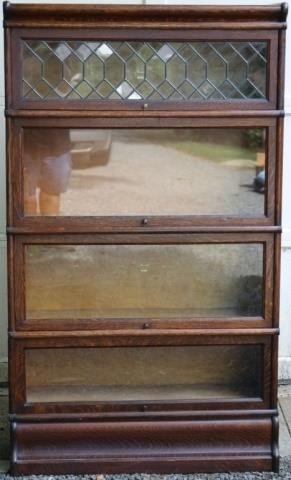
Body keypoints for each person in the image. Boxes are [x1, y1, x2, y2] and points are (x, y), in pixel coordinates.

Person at [23, 128, 71, 215]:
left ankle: (47, 228)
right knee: (27, 199)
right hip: (24, 144)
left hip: (58, 145)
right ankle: (28, 228)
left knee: (50, 197)